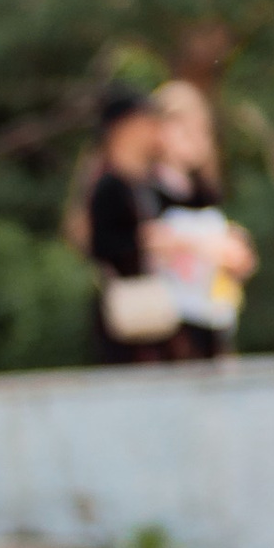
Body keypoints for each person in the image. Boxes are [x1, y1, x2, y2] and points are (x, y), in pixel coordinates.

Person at [78, 82, 187, 362]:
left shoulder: (146, 183)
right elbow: (101, 245)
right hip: (127, 315)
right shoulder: (107, 185)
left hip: (158, 314)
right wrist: (144, 243)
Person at [150, 78, 257, 359]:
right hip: (165, 325)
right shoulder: (146, 189)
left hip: (211, 322)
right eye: (185, 130)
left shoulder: (205, 192)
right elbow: (140, 238)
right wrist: (201, 245)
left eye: (202, 131)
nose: (196, 139)